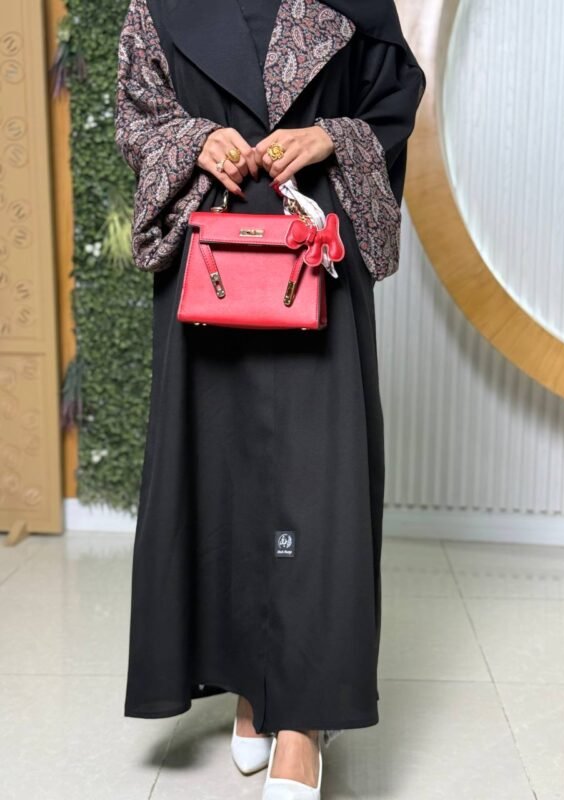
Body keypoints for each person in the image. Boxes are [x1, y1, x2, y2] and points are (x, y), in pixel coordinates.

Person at [114, 0, 425, 796]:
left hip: (315, 248)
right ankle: (251, 682)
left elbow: (395, 96)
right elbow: (137, 114)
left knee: (319, 488)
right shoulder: (160, 5)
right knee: (223, 480)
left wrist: (333, 136)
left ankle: (302, 721)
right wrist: (194, 139)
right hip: (210, 254)